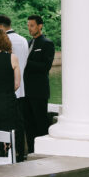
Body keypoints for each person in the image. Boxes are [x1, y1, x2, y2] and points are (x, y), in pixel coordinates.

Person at [0, 14, 29, 160]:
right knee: (19, 125)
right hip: (21, 90)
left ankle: (5, 154)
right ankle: (20, 152)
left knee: (4, 126)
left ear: (1, 26)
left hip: (6, 92)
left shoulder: (2, 42)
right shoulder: (24, 40)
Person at [23, 14, 55, 151]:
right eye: (28, 26)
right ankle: (31, 151)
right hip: (26, 92)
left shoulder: (47, 44)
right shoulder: (28, 43)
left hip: (39, 91)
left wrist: (25, 62)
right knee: (28, 124)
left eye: (32, 25)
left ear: (40, 26)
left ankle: (44, 151)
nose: (30, 28)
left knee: (41, 123)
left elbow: (45, 67)